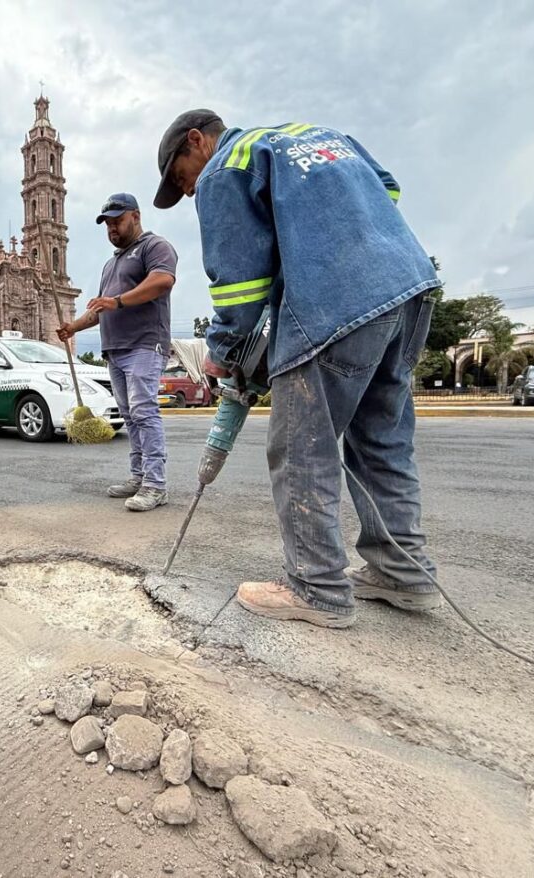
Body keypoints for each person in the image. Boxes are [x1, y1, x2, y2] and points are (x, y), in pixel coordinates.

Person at [154, 110, 442, 628]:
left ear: (198, 141)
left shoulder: (225, 167)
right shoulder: (322, 137)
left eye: (182, 177)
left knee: (301, 444)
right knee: (380, 440)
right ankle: (403, 572)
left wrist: (225, 351)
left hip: (333, 302)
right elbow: (387, 191)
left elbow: (239, 287)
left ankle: (317, 585)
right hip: (407, 286)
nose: (192, 191)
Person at [58, 193, 178, 512]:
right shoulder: (111, 264)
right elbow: (100, 309)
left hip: (144, 344)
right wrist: (73, 327)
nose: (112, 228)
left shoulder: (154, 247)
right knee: (130, 416)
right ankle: (139, 477)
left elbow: (163, 280)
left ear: (135, 216)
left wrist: (119, 301)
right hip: (116, 350)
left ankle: (156, 485)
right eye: (108, 224)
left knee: (143, 411)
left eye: (117, 221)